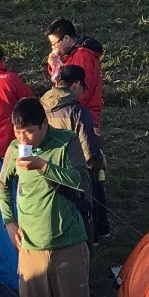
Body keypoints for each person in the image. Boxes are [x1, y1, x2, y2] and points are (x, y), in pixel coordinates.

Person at [0, 99, 89, 297]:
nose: (23, 138)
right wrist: (9, 222)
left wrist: (43, 166)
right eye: (18, 132)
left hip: (67, 243)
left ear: (44, 125)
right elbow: (2, 185)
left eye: (29, 131)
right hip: (30, 246)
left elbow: (82, 181)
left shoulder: (65, 142)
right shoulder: (15, 149)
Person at [41, 62, 109, 240]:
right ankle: (90, 240)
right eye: (82, 88)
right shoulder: (77, 112)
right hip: (75, 171)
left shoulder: (41, 106)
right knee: (83, 208)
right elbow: (88, 148)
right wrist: (96, 165)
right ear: (76, 84)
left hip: (46, 168)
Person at [44, 18, 104, 128]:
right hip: (73, 115)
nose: (53, 48)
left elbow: (81, 90)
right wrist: (54, 66)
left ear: (66, 38)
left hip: (80, 118)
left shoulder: (82, 56)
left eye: (54, 44)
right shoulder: (73, 55)